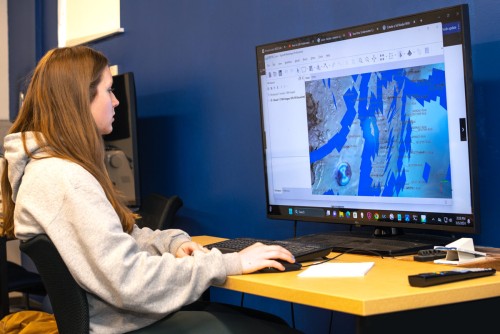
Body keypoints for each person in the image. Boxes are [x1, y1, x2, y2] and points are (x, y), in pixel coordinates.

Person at [0, 45, 301, 334]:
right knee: (276, 328)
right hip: (123, 326)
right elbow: (130, 281)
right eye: (108, 90)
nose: (116, 101)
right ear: (81, 98)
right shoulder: (63, 178)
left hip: (117, 321)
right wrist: (232, 262)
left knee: (258, 320)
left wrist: (170, 244)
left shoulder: (50, 169)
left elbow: (118, 243)